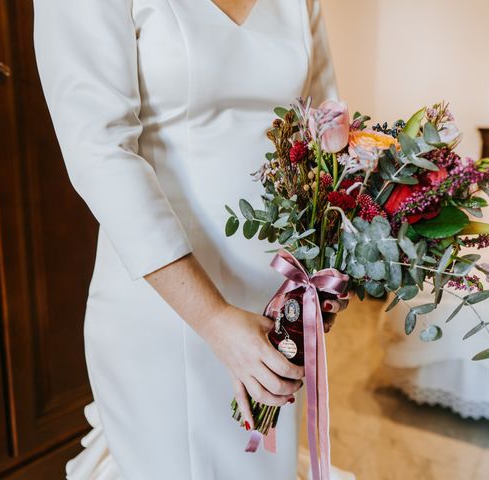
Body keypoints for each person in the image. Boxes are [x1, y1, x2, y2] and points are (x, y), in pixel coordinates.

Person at [33, 0, 346, 478]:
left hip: (277, 295)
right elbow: (97, 148)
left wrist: (329, 266)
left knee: (260, 464)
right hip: (167, 304)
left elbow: (326, 131)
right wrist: (214, 319)